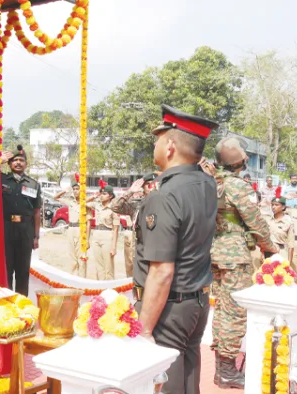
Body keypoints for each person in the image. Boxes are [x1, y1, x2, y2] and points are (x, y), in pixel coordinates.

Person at [133, 104, 218, 394]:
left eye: (157, 138)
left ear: (169, 146)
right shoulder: (206, 183)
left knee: (166, 385)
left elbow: (162, 270)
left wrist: (143, 329)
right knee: (188, 381)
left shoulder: (166, 194)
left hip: (169, 307)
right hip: (197, 301)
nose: (154, 144)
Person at [211, 136, 276, 389]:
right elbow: (255, 221)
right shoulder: (237, 186)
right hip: (235, 255)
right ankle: (227, 369)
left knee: (222, 310)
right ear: (241, 160)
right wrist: (270, 248)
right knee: (234, 311)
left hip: (214, 252)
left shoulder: (212, 182)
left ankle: (221, 366)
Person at [0, 145, 41, 295]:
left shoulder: (33, 184)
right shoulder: (1, 179)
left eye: (21, 160)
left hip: (25, 230)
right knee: (7, 269)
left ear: (26, 164)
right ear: (9, 164)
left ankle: (21, 304)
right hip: (6, 228)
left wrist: (36, 236)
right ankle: (8, 302)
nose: (18, 163)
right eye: (14, 160)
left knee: (23, 271)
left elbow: (37, 212)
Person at [111, 173, 157, 277]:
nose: (152, 187)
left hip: (157, 249)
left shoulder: (165, 203)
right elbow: (114, 206)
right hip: (139, 248)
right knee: (135, 277)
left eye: (154, 184)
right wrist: (130, 191)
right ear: (143, 187)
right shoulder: (137, 204)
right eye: (148, 184)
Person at [54, 181, 93, 277]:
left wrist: (87, 240)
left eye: (77, 189)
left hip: (81, 230)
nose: (75, 191)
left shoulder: (86, 204)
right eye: (74, 189)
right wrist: (64, 191)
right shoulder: (70, 202)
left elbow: (89, 223)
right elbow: (56, 197)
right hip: (71, 229)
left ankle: (82, 281)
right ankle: (73, 280)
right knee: (72, 258)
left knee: (82, 258)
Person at [89, 185, 119, 280]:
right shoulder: (97, 204)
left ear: (110, 196)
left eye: (104, 194)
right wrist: (94, 196)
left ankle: (109, 291)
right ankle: (101, 290)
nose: (102, 195)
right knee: (99, 266)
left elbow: (115, 229)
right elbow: (82, 203)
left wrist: (113, 247)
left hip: (107, 235)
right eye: (101, 193)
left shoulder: (114, 208)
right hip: (96, 234)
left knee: (108, 267)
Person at [267, 190, 293, 260]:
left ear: (283, 207)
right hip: (268, 253)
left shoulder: (288, 222)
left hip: (282, 253)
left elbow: (291, 245)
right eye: (272, 205)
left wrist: (289, 263)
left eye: (276, 205)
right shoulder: (268, 221)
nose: (273, 207)